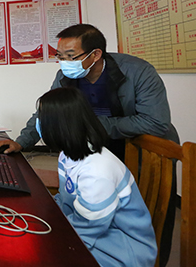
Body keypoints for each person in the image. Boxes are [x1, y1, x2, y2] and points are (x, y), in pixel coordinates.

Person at [0, 23, 178, 266]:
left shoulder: (137, 71)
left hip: (145, 148)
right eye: (60, 56)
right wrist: (21, 143)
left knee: (145, 214)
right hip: (93, 146)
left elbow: (155, 122)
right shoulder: (67, 76)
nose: (64, 63)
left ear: (95, 54)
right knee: (101, 203)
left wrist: (91, 125)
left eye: (70, 56)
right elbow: (49, 112)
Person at [37, 87, 157, 267]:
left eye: (41, 118)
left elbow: (89, 226)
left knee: (42, 253)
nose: (38, 123)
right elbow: (65, 199)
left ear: (57, 124)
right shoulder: (67, 155)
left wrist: (51, 235)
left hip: (124, 250)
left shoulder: (97, 171)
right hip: (94, 232)